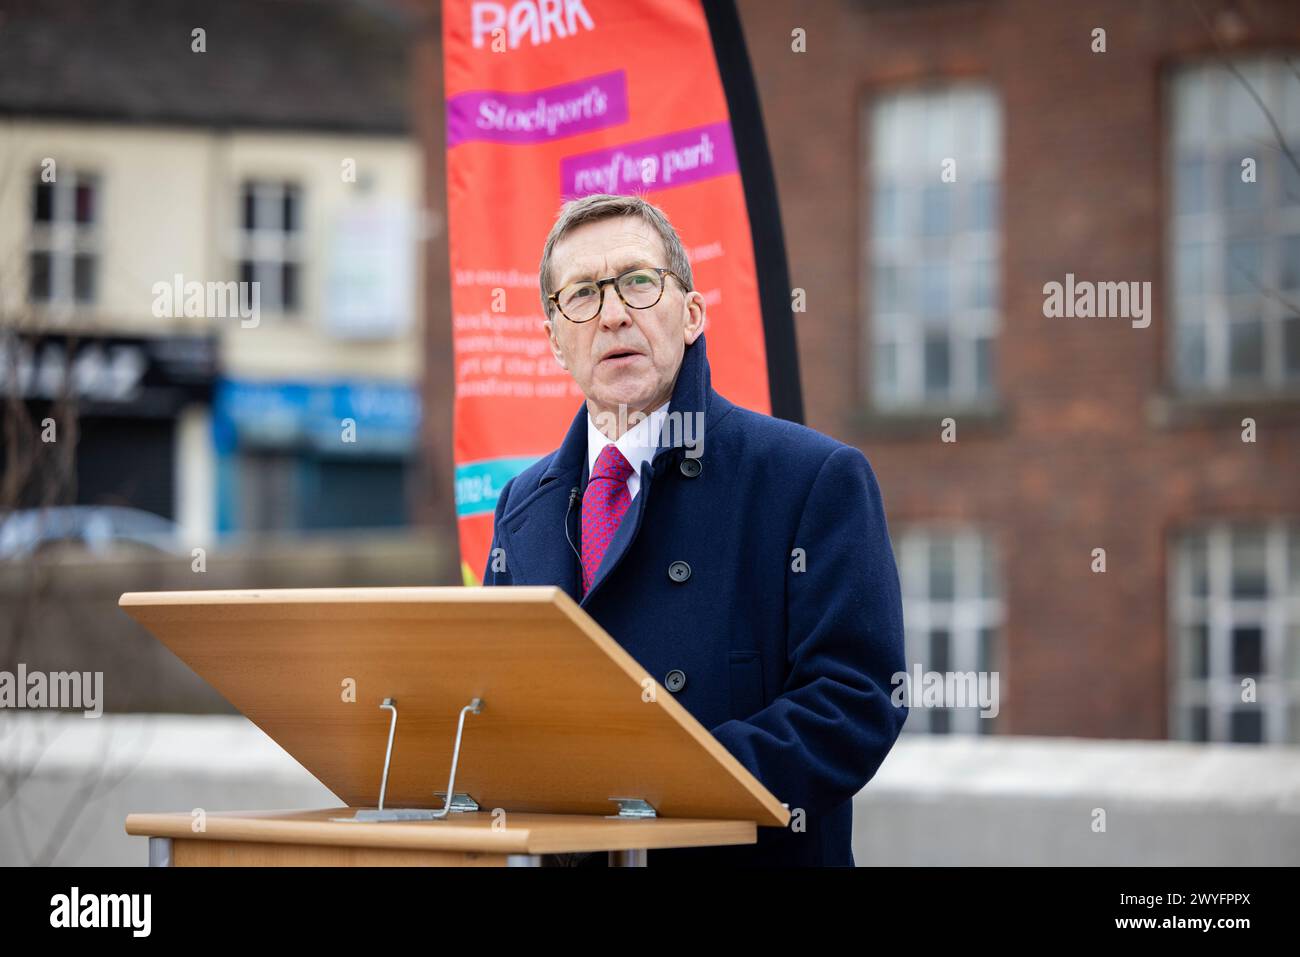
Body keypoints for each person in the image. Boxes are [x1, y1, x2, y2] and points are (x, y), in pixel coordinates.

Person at [483, 192, 907, 866]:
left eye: (639, 283)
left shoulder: (811, 477)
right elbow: (497, 704)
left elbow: (857, 701)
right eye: (583, 295)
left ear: (691, 313)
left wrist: (664, 782)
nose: (615, 313)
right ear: (554, 341)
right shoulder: (521, 508)